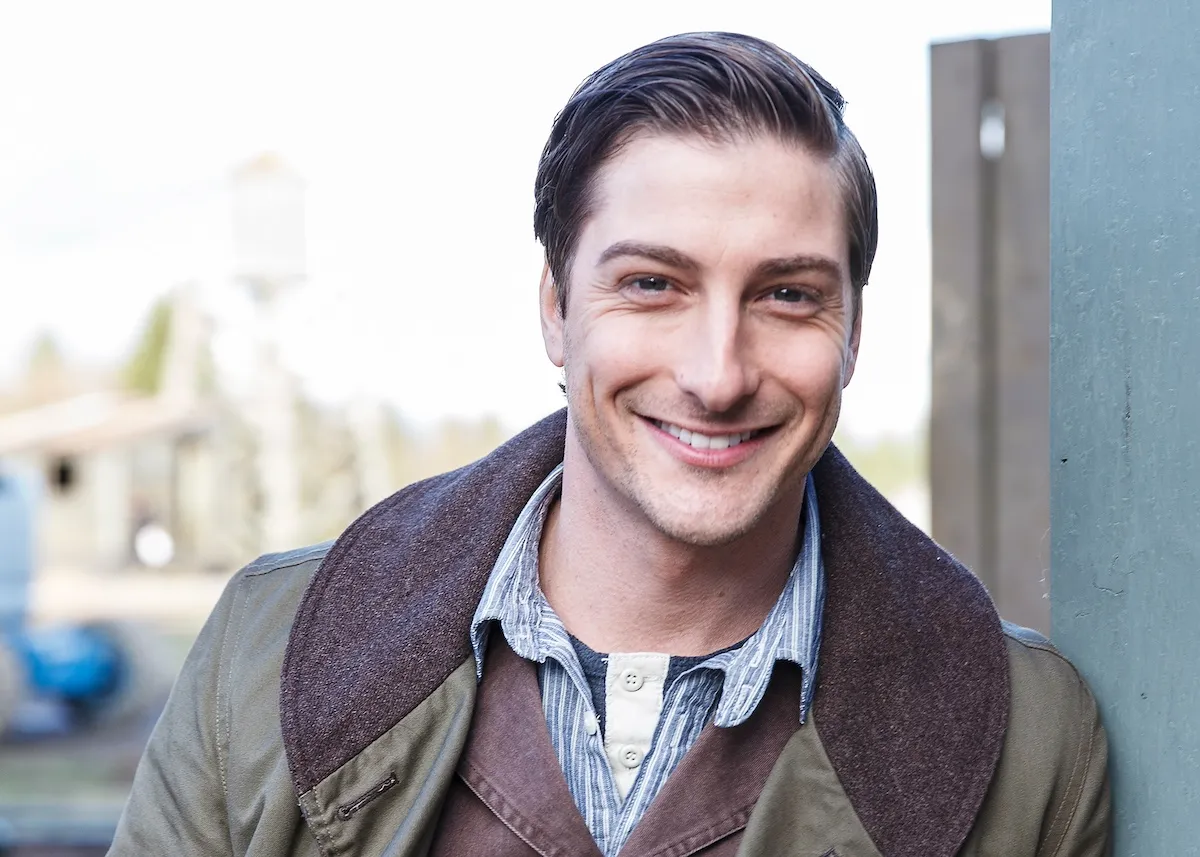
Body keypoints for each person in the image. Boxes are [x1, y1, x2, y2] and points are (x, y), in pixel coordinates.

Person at [109, 32, 1110, 857]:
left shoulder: (1033, 741)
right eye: (652, 284)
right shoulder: (263, 654)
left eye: (788, 294)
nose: (717, 373)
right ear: (556, 309)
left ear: (852, 332)